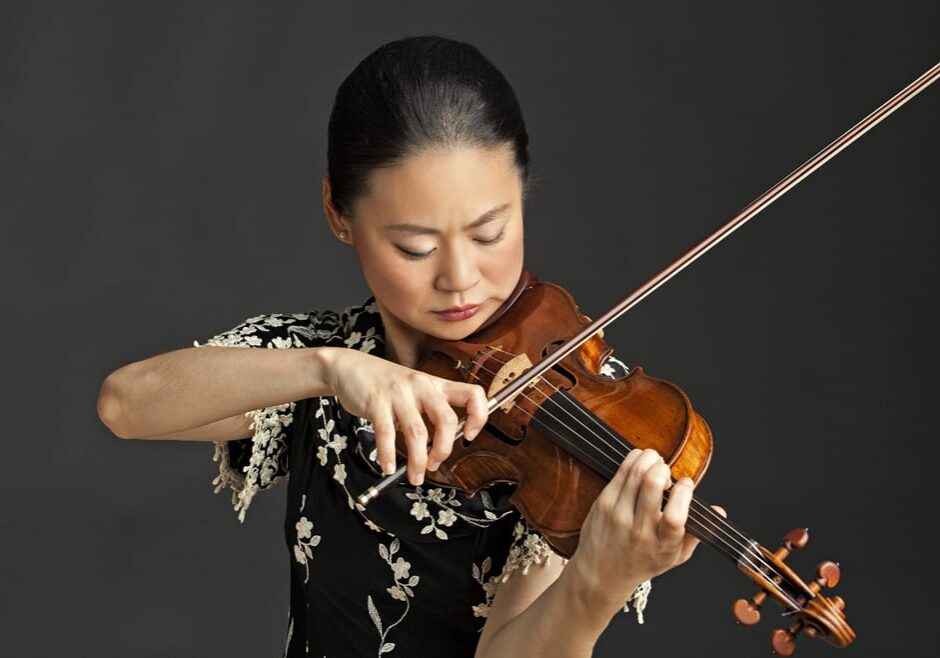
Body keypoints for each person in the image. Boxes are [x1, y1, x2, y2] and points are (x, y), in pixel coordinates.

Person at [97, 34, 723, 658]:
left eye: (491, 232)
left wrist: (595, 585)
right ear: (338, 214)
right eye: (415, 248)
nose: (459, 278)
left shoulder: (564, 440)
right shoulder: (320, 364)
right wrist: (331, 368)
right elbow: (125, 404)